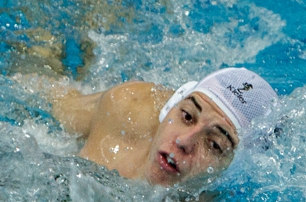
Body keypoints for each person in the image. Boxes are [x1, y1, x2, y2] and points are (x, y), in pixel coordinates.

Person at [25, 67, 278, 187]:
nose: (183, 141)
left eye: (214, 145)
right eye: (187, 116)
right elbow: (49, 98)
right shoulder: (125, 110)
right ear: (171, 107)